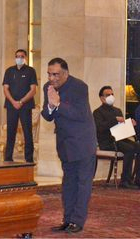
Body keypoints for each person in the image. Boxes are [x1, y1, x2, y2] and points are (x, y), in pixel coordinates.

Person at [41, 58, 97, 233]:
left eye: (56, 74)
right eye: (49, 74)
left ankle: (77, 221)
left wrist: (57, 104)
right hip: (65, 144)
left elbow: (79, 114)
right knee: (68, 184)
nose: (52, 78)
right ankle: (67, 220)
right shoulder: (47, 87)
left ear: (65, 73)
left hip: (83, 142)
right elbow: (48, 115)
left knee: (83, 183)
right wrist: (50, 106)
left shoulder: (80, 87)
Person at [93, 86, 140, 189]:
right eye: (108, 95)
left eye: (112, 94)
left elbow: (121, 128)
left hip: (120, 138)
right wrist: (115, 120)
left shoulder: (117, 110)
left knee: (138, 146)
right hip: (107, 142)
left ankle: (137, 179)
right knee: (130, 149)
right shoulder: (97, 112)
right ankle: (125, 181)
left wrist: (130, 125)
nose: (111, 96)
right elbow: (100, 128)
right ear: (101, 98)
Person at [3, 49, 37, 162]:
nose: (19, 58)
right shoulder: (9, 71)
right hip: (11, 106)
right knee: (10, 133)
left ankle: (29, 160)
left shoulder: (31, 71)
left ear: (25, 57)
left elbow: (33, 90)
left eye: (22, 56)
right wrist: (13, 102)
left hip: (25, 106)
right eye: (17, 56)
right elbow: (5, 88)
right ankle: (8, 159)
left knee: (27, 133)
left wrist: (21, 102)